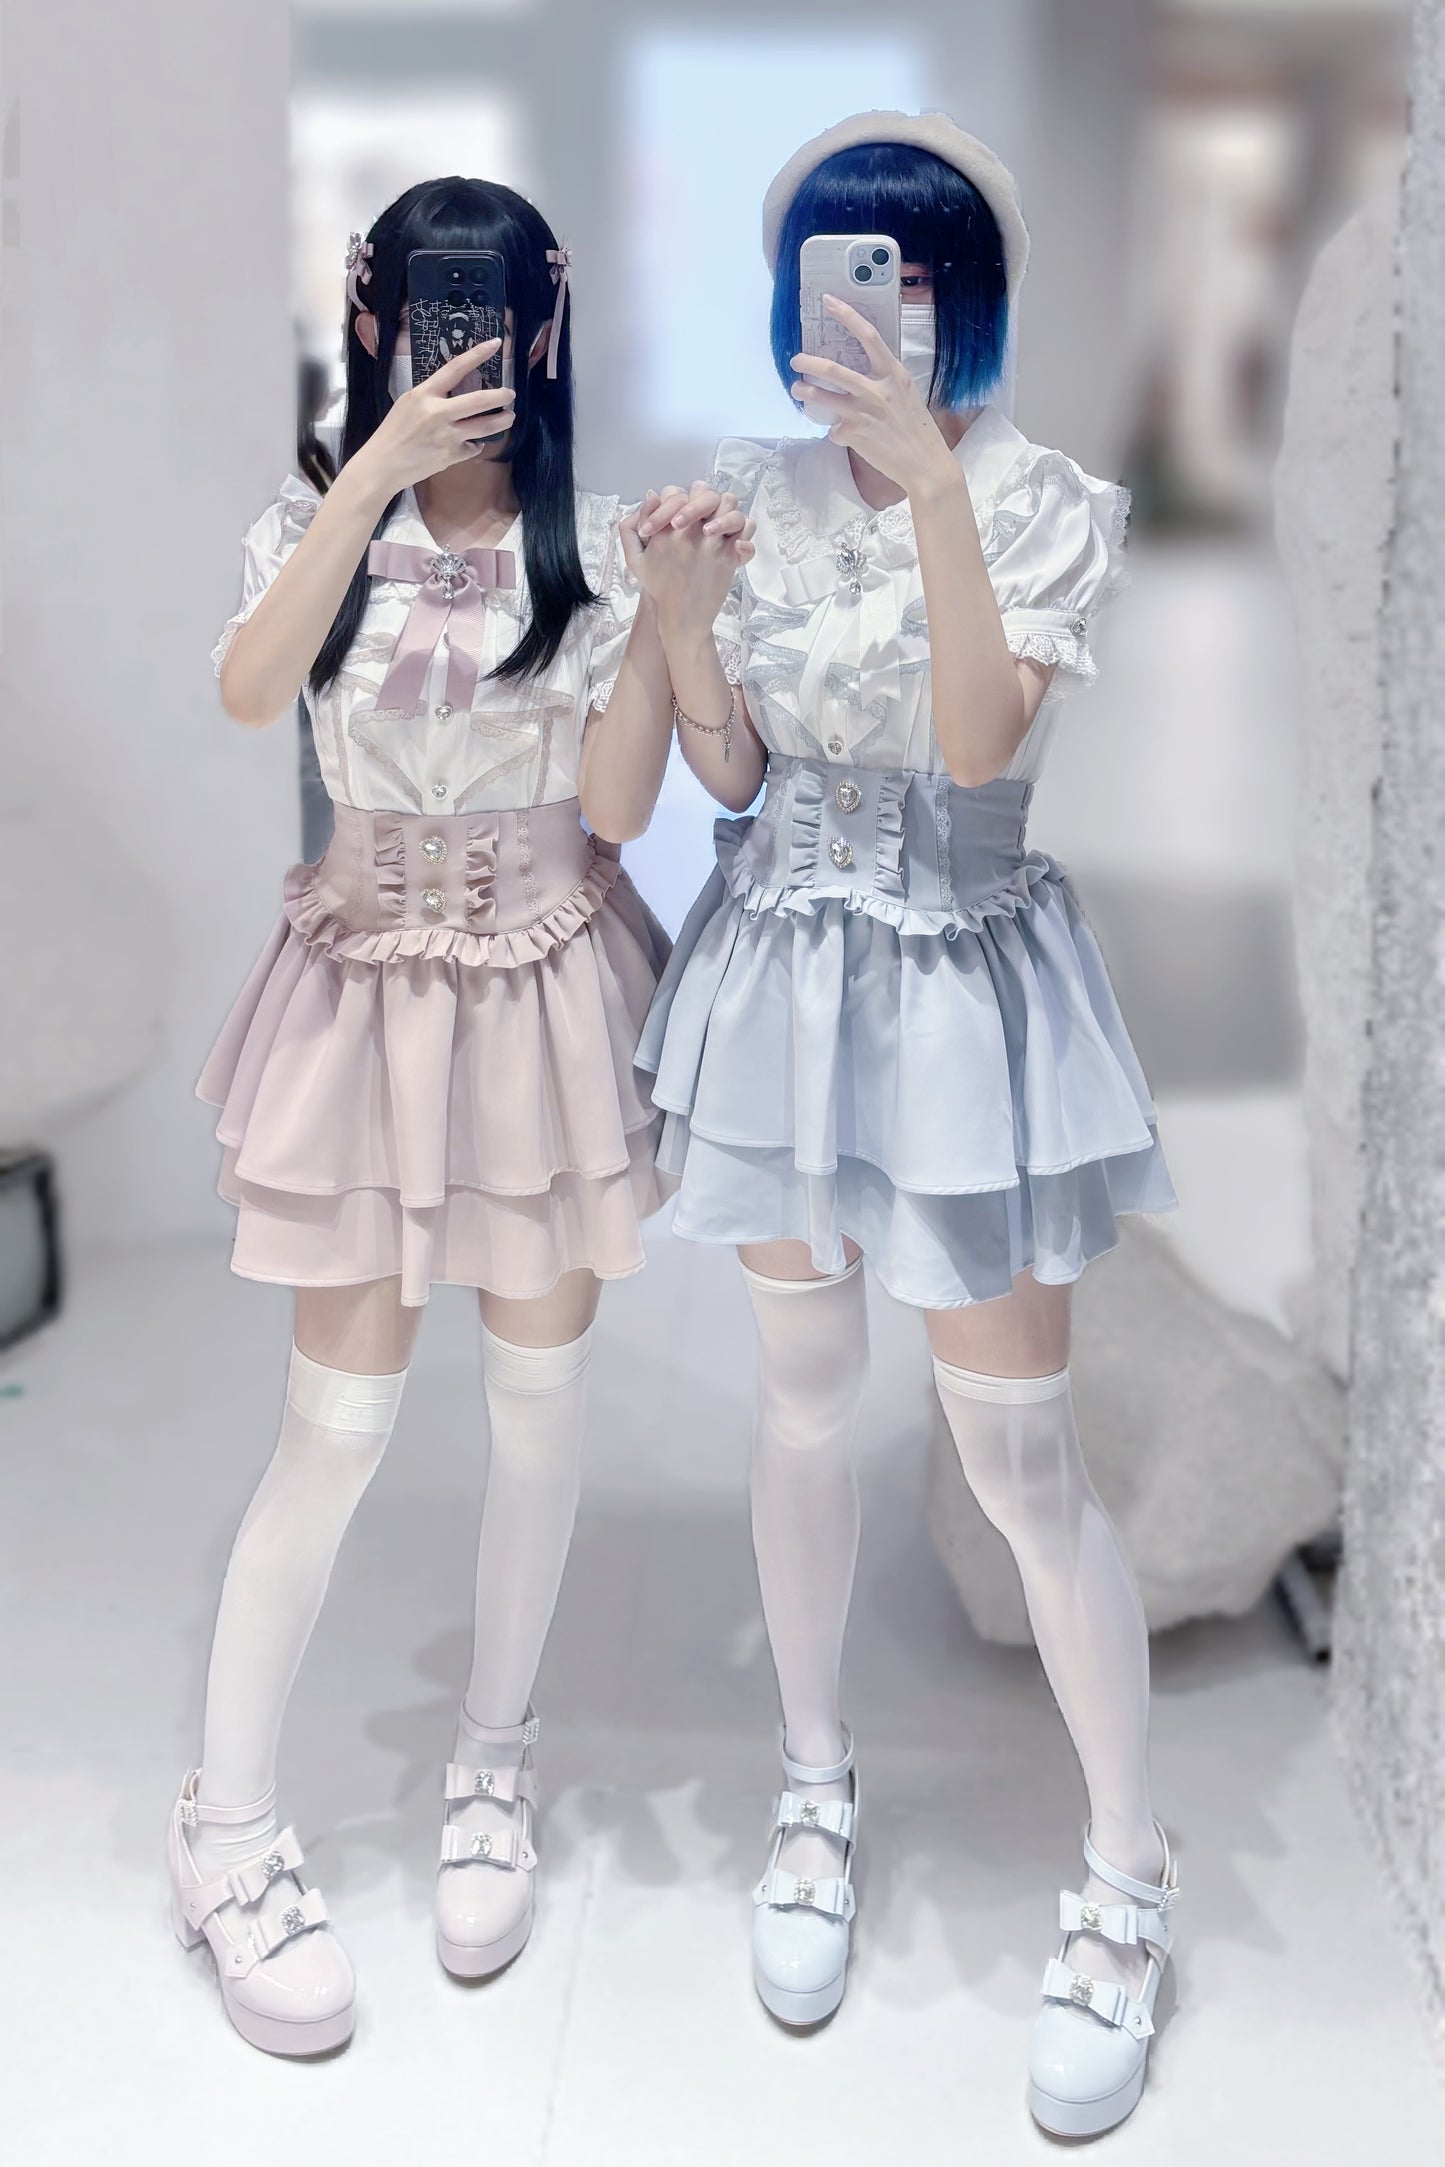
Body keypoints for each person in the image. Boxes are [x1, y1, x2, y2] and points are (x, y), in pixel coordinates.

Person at [167, 175, 753, 2057]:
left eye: (490, 311)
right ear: (372, 322)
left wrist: (667, 624)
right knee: (330, 1437)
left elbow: (620, 812)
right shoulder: (313, 522)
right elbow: (248, 691)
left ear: (545, 324)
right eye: (431, 309)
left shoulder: (588, 553)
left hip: (539, 1003)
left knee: (533, 1407)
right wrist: (369, 473)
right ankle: (223, 1827)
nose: (460, 345)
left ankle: (493, 1760)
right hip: (365, 999)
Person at [635, 113, 1178, 2137]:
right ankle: (812, 1786)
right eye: (849, 271)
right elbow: (730, 773)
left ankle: (1128, 1876)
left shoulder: (1045, 503)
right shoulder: (747, 488)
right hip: (783, 973)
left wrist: (939, 488)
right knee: (797, 1402)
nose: (882, 310)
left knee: (1019, 1452)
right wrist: (682, 628)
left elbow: (974, 749)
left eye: (920, 273)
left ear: (976, 296)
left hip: (960, 998)